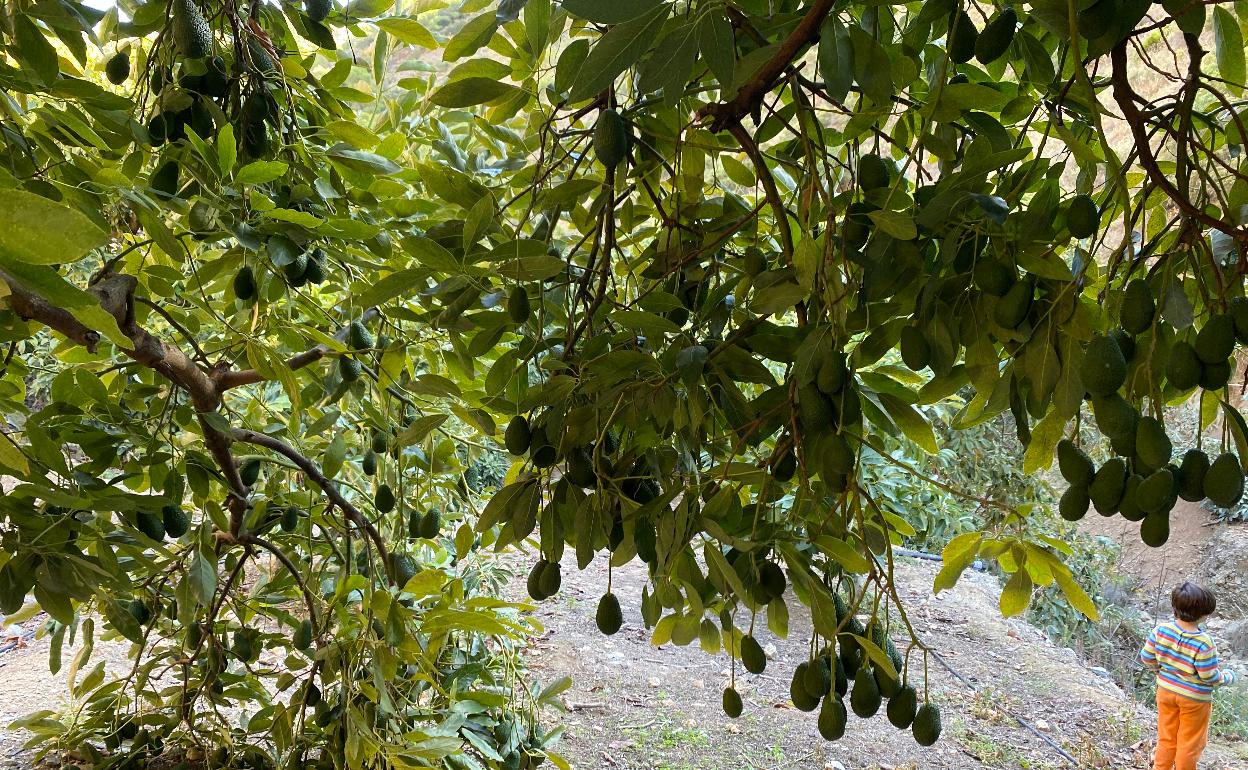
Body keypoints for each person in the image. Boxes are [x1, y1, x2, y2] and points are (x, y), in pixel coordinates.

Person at [1139, 582, 1238, 770]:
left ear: (1174, 607)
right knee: (1189, 744)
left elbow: (1146, 657)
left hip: (1166, 692)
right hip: (1194, 700)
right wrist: (1228, 677)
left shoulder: (1161, 630)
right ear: (1204, 614)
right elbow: (1208, 676)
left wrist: (1158, 671)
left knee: (1166, 737)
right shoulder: (1204, 642)